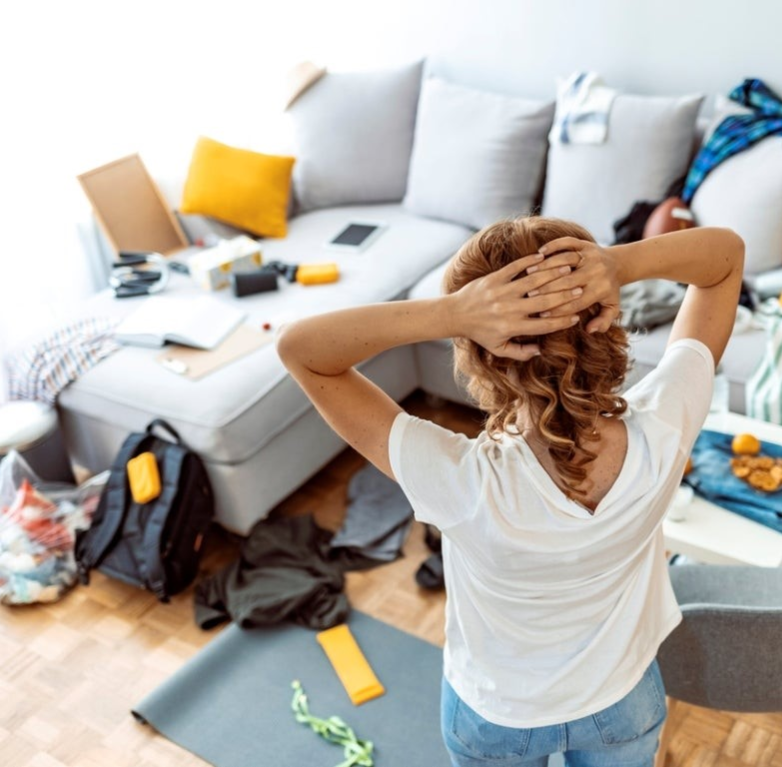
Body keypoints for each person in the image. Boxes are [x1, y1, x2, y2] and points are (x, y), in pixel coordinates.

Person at [277, 217, 744, 766]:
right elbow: (725, 257)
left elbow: (301, 348)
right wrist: (619, 263)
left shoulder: (458, 479)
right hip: (622, 701)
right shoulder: (667, 423)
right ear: (603, 318)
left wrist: (450, 313)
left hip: (497, 716)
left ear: (478, 352)